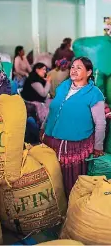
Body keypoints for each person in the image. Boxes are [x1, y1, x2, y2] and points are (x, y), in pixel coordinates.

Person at [41, 57, 106, 198]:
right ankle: (55, 206)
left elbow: (100, 123)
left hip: (73, 145)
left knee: (69, 181)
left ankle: (71, 207)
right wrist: (43, 127)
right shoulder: (64, 86)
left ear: (89, 72)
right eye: (72, 67)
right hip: (51, 140)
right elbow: (53, 109)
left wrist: (98, 147)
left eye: (79, 68)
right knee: (51, 178)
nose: (74, 71)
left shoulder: (94, 94)